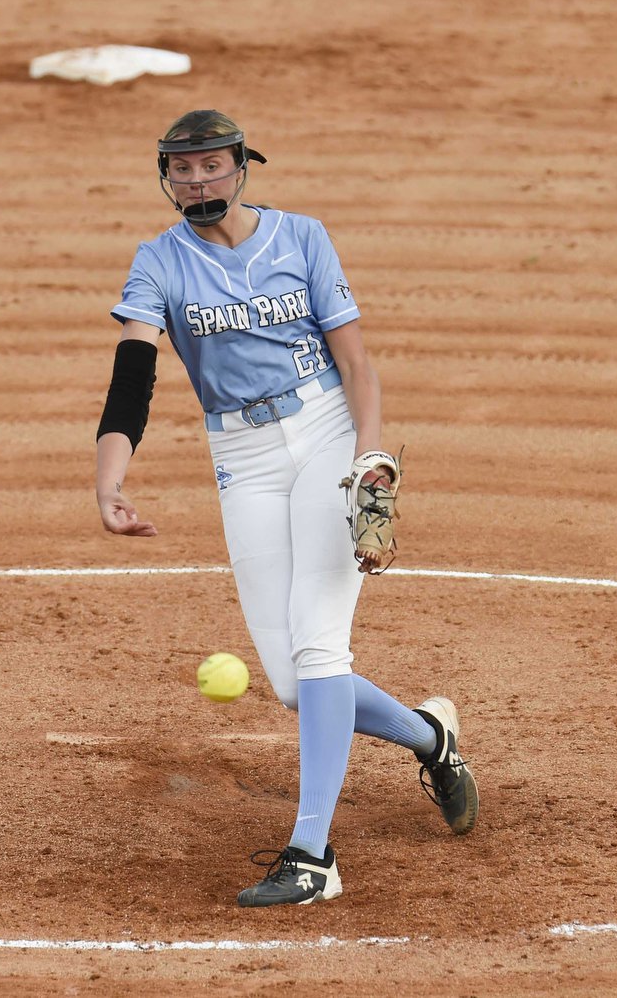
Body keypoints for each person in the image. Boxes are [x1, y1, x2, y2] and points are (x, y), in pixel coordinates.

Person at [95, 109, 478, 907]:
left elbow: (357, 363)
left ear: (242, 168)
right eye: (182, 170)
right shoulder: (158, 263)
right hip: (242, 458)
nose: (197, 181)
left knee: (319, 645)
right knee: (295, 684)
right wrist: (111, 478)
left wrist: (370, 459)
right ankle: (431, 738)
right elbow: (133, 374)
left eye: (212, 167)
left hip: (325, 435)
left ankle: (313, 855)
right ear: (165, 178)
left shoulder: (303, 238)